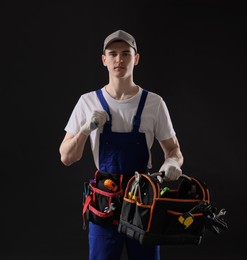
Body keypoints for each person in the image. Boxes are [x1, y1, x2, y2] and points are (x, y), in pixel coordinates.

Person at [59, 29, 184, 260]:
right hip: (104, 200)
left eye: (126, 53)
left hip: (143, 198)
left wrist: (172, 162)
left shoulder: (154, 103)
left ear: (136, 58)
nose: (119, 59)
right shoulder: (87, 102)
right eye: (113, 53)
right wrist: (85, 130)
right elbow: (67, 157)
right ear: (104, 60)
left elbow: (174, 150)